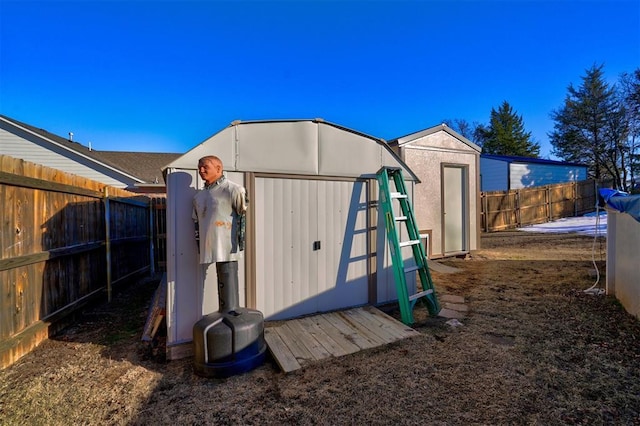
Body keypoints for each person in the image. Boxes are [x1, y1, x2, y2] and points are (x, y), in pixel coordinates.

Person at [192, 155, 248, 311]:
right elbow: (196, 223)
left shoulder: (233, 190)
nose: (201, 170)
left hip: (228, 246)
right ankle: (225, 312)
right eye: (199, 167)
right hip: (208, 246)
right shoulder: (198, 196)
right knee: (220, 282)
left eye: (205, 167)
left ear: (218, 168)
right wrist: (200, 247)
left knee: (228, 278)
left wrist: (238, 245)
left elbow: (242, 218)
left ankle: (231, 312)